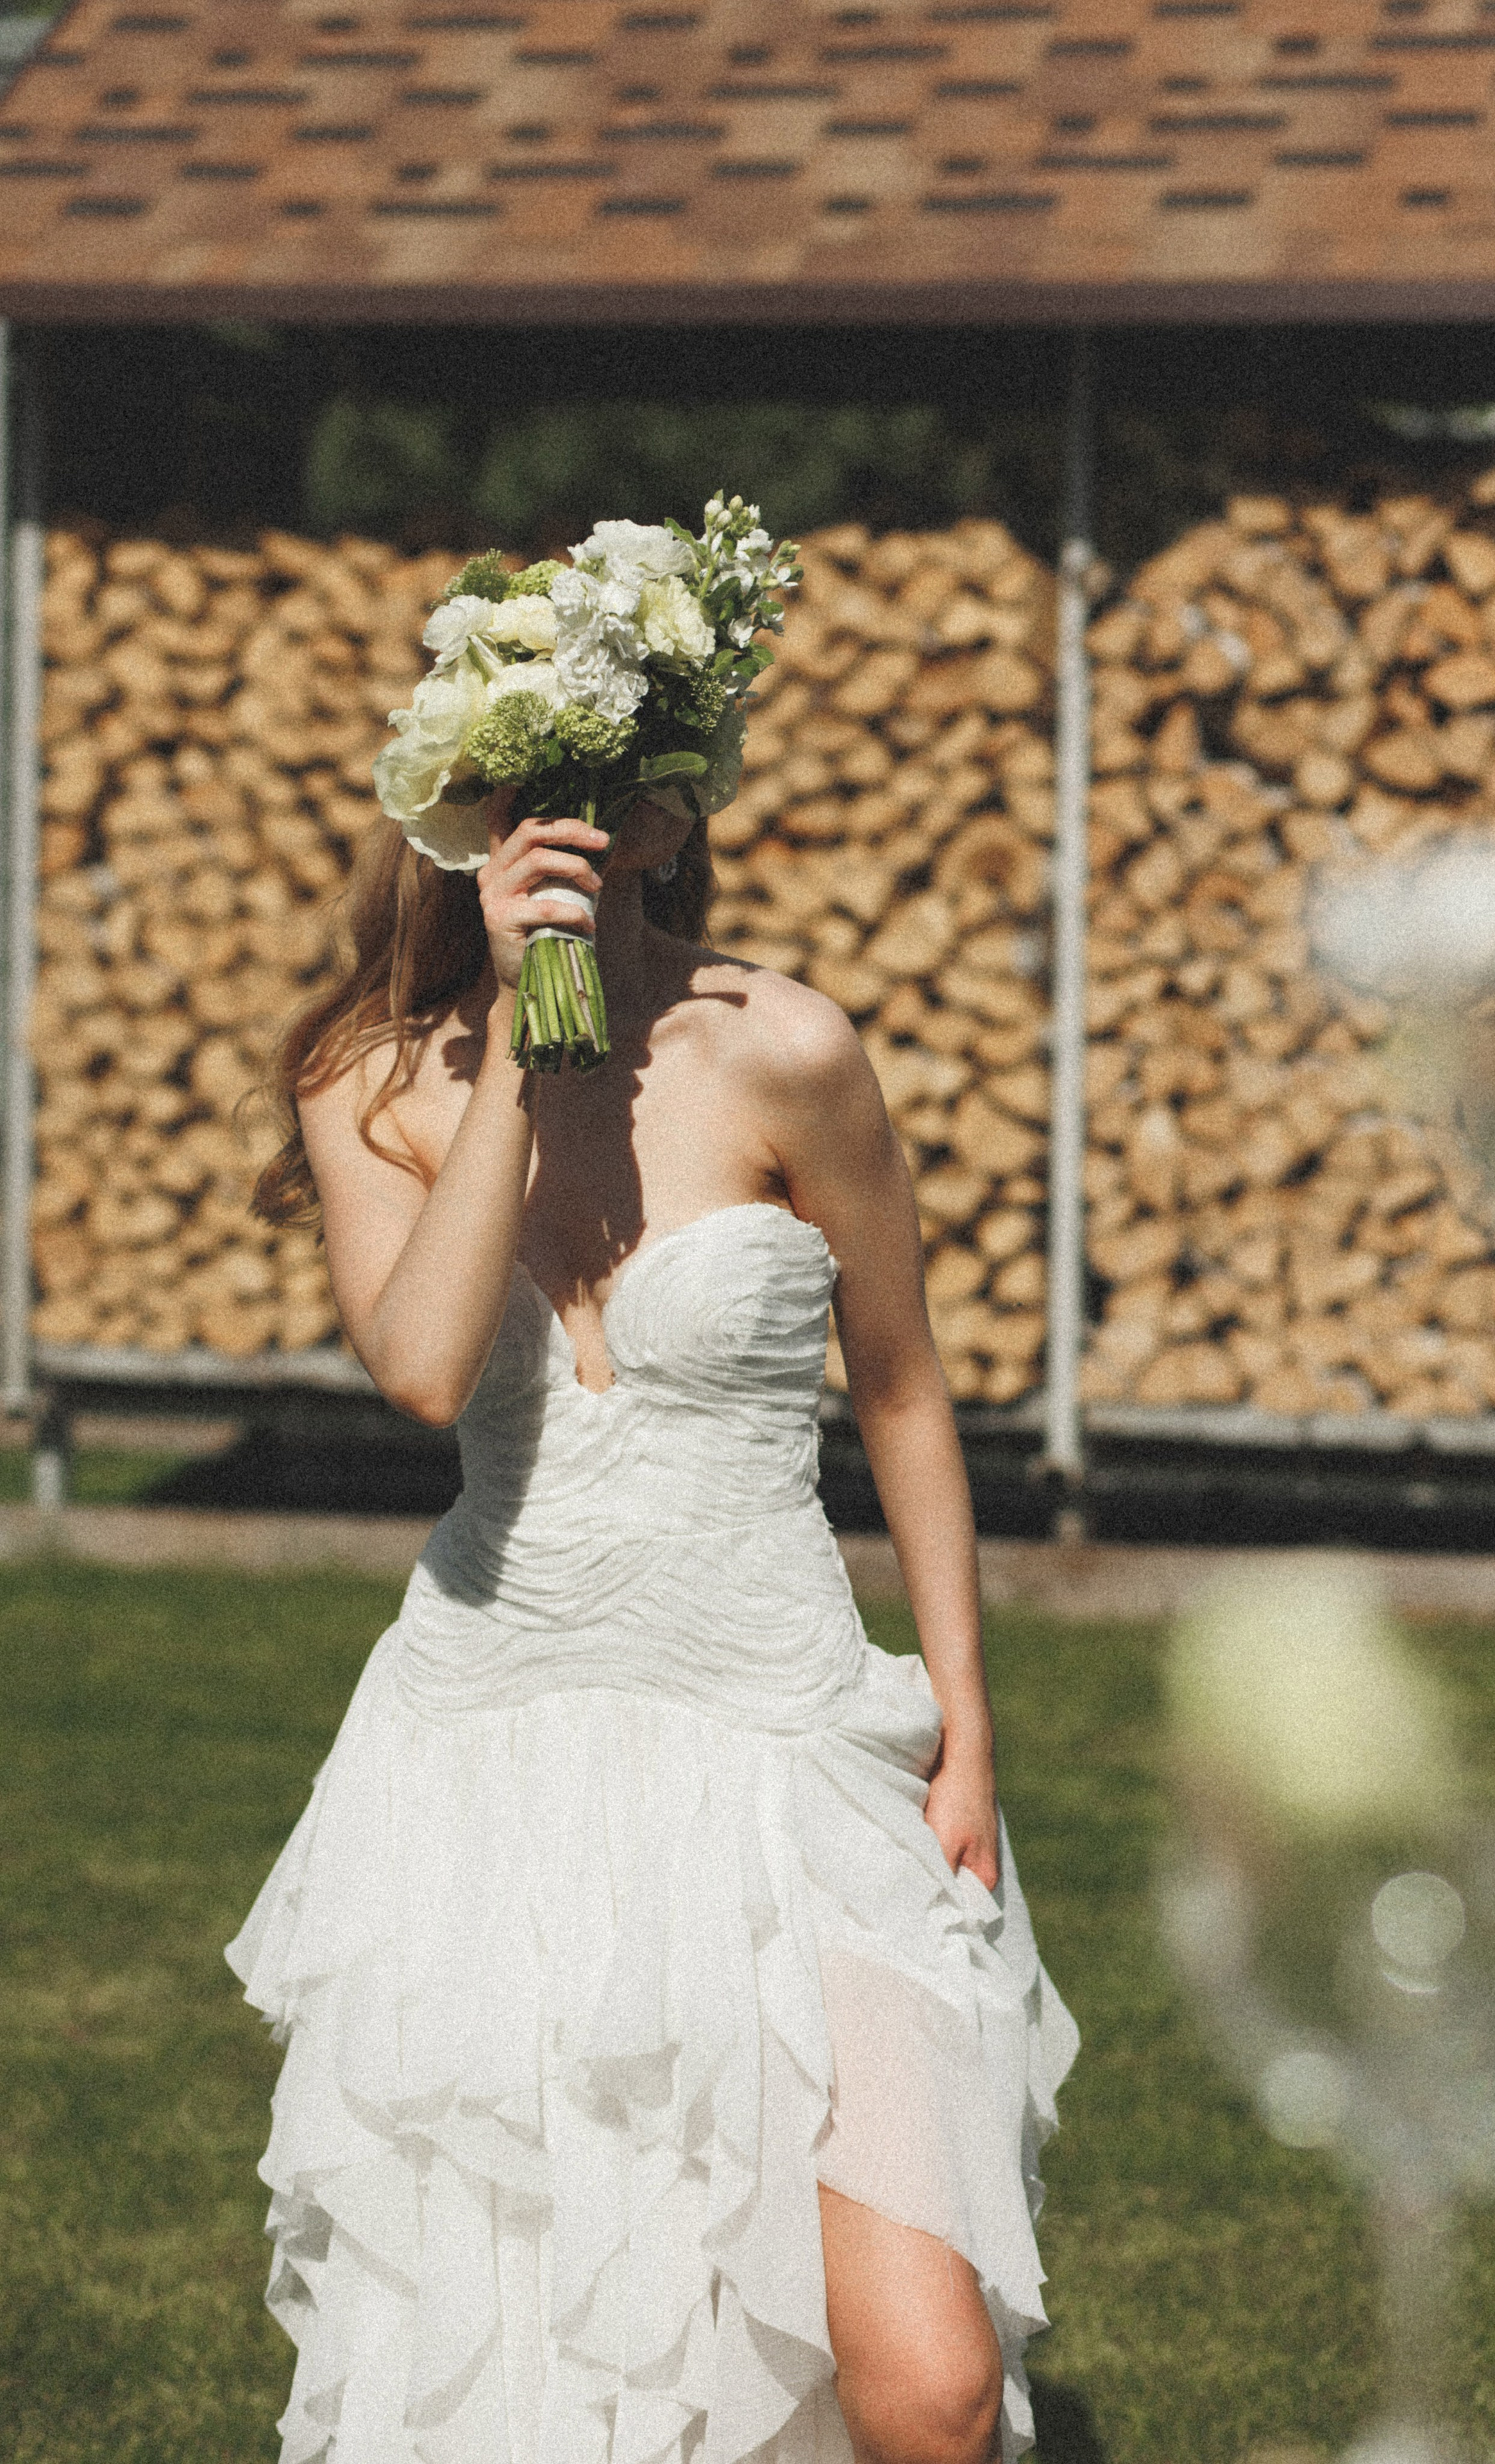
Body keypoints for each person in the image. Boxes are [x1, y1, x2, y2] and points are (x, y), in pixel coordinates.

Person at [230, 785, 1078, 2464]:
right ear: (457, 819)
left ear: (674, 809)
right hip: (491, 1768)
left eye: (605, 784)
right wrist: (526, 1055)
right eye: (516, 792)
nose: (562, 825)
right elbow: (421, 1368)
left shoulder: (790, 1046)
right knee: (553, 2372)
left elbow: (902, 1386)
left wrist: (967, 1725)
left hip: (788, 1749)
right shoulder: (371, 1083)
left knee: (930, 2385)